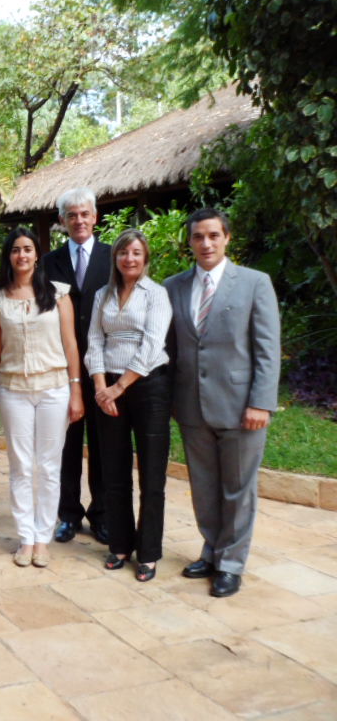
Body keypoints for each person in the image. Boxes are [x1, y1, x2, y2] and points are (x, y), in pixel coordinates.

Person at [164, 208, 281, 597]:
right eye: (198, 236)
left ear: (227, 238)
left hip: (241, 406)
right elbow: (170, 349)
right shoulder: (173, 287)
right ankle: (211, 551)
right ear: (190, 241)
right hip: (191, 406)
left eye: (213, 235)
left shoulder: (254, 283)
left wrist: (261, 402)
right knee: (204, 486)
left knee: (238, 489)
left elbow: (267, 349)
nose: (206, 243)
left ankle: (231, 563)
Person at [0, 227, 84, 568]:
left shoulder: (58, 294)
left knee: (50, 465)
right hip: (14, 390)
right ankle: (26, 538)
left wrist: (76, 390)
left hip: (55, 388)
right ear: (9, 256)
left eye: (27, 248)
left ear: (37, 254)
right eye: (15, 249)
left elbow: (71, 344)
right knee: (21, 466)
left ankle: (43, 538)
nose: (22, 255)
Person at [85, 231, 172, 582]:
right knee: (114, 470)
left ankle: (148, 552)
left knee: (152, 473)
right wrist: (101, 387)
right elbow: (94, 340)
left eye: (136, 253)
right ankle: (120, 544)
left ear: (145, 258)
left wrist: (119, 387)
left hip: (148, 386)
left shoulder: (157, 294)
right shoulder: (102, 295)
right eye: (123, 252)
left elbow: (153, 344)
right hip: (108, 388)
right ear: (115, 258)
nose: (129, 259)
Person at [41, 188, 111, 544]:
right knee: (66, 445)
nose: (79, 220)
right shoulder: (48, 262)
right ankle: (67, 514)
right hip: (61, 366)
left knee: (102, 443)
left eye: (85, 214)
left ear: (94, 217)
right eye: (72, 215)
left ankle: (102, 514)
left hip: (105, 368)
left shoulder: (112, 257)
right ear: (62, 221)